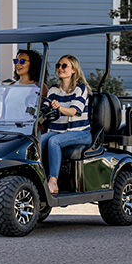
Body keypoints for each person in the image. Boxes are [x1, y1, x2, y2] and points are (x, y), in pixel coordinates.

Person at [41, 55, 91, 194]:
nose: (60, 69)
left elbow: (73, 111)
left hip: (80, 132)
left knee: (54, 142)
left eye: (64, 66)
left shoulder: (80, 89)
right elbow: (45, 110)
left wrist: (58, 108)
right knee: (37, 142)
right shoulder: (53, 90)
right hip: (57, 130)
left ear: (74, 70)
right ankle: (39, 177)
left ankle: (53, 181)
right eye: (58, 66)